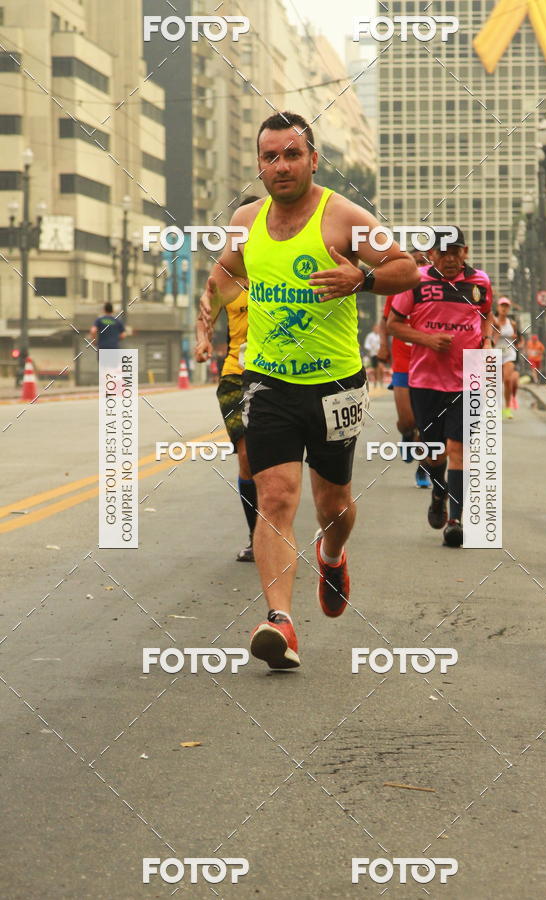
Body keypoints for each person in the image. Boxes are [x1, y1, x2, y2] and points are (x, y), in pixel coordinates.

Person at [198, 110, 419, 669]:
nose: (281, 166)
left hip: (336, 386)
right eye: (270, 157)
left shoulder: (342, 215)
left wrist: (362, 278)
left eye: (292, 154)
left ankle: (333, 552)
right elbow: (227, 270)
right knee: (274, 498)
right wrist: (208, 310)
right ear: (259, 165)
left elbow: (407, 268)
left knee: (333, 504)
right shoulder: (246, 220)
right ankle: (281, 623)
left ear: (313, 160)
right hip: (268, 381)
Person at [386, 227, 494, 548]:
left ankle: (455, 521)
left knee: (459, 449)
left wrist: (486, 340)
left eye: (455, 251)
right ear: (431, 254)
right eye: (442, 252)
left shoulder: (480, 283)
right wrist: (428, 339)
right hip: (426, 380)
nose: (449, 258)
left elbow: (485, 315)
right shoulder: (415, 281)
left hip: (467, 380)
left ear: (465, 252)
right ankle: (438, 492)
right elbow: (394, 324)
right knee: (435, 453)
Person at [196, 195, 261, 563]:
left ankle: (275, 525)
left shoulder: (284, 270)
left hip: (282, 376)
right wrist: (203, 339)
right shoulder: (226, 278)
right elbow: (205, 313)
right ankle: (257, 536)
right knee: (248, 457)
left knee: (277, 465)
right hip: (236, 376)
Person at [379, 248, 431, 488]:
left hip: (428, 364)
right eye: (416, 262)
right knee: (407, 421)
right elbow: (385, 322)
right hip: (402, 362)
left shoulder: (437, 292)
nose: (420, 266)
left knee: (427, 424)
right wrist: (383, 346)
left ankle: (423, 469)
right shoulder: (399, 289)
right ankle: (407, 435)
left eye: (424, 262)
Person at [493, 297, 519, 419]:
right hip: (495, 354)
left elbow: (517, 338)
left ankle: (507, 408)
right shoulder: (493, 321)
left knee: (508, 380)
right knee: (496, 383)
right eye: (502, 306)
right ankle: (497, 408)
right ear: (498, 307)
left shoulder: (512, 323)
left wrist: (515, 337)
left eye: (506, 306)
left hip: (509, 354)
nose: (504, 308)